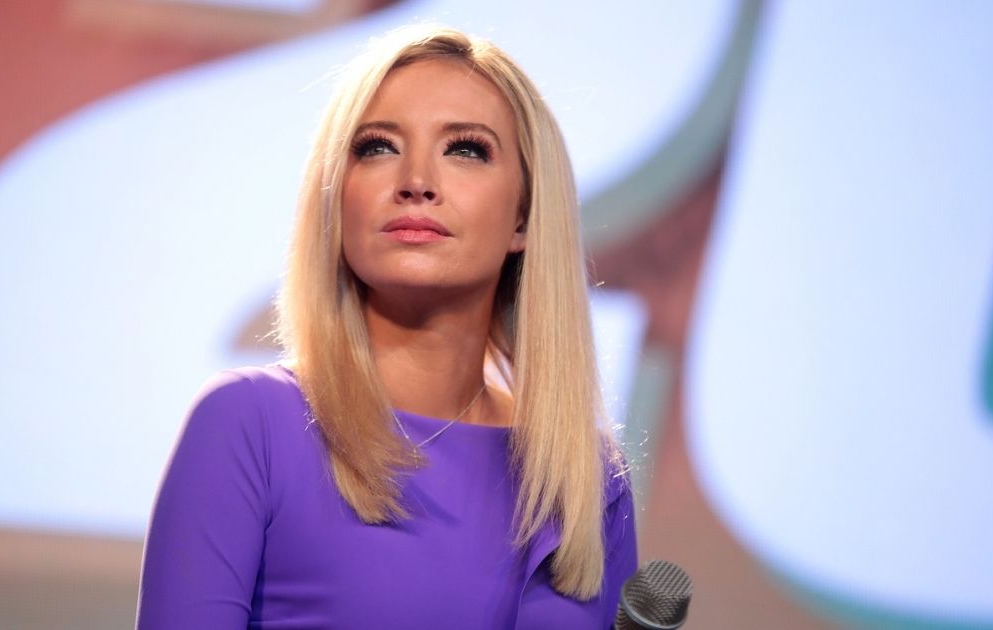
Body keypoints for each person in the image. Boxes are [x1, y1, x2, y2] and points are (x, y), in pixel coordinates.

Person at [136, 24, 636, 629]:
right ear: (336, 195)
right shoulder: (250, 423)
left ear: (524, 217)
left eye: (466, 149)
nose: (416, 181)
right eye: (377, 147)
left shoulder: (584, 474)